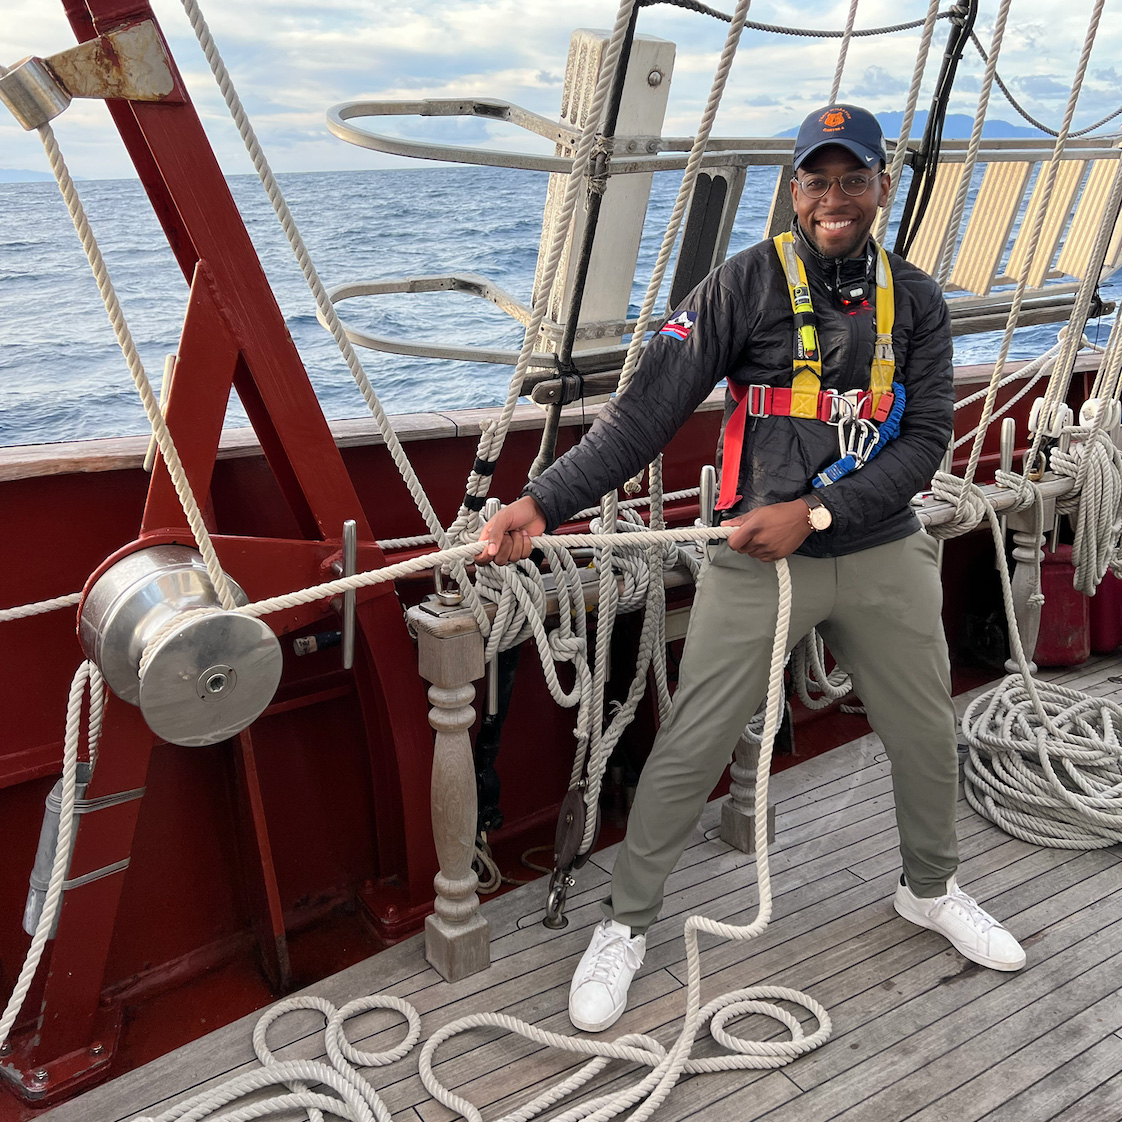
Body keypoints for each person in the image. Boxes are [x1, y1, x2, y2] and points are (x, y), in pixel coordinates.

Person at [480, 103, 1026, 1034]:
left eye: (853, 178)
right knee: (691, 744)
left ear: (882, 189)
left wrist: (815, 509)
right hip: (757, 564)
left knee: (928, 734)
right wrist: (542, 502)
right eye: (816, 180)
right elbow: (644, 415)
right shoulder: (742, 284)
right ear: (794, 191)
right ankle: (626, 924)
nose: (834, 198)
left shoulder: (920, 302)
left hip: (881, 550)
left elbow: (926, 439)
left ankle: (930, 890)